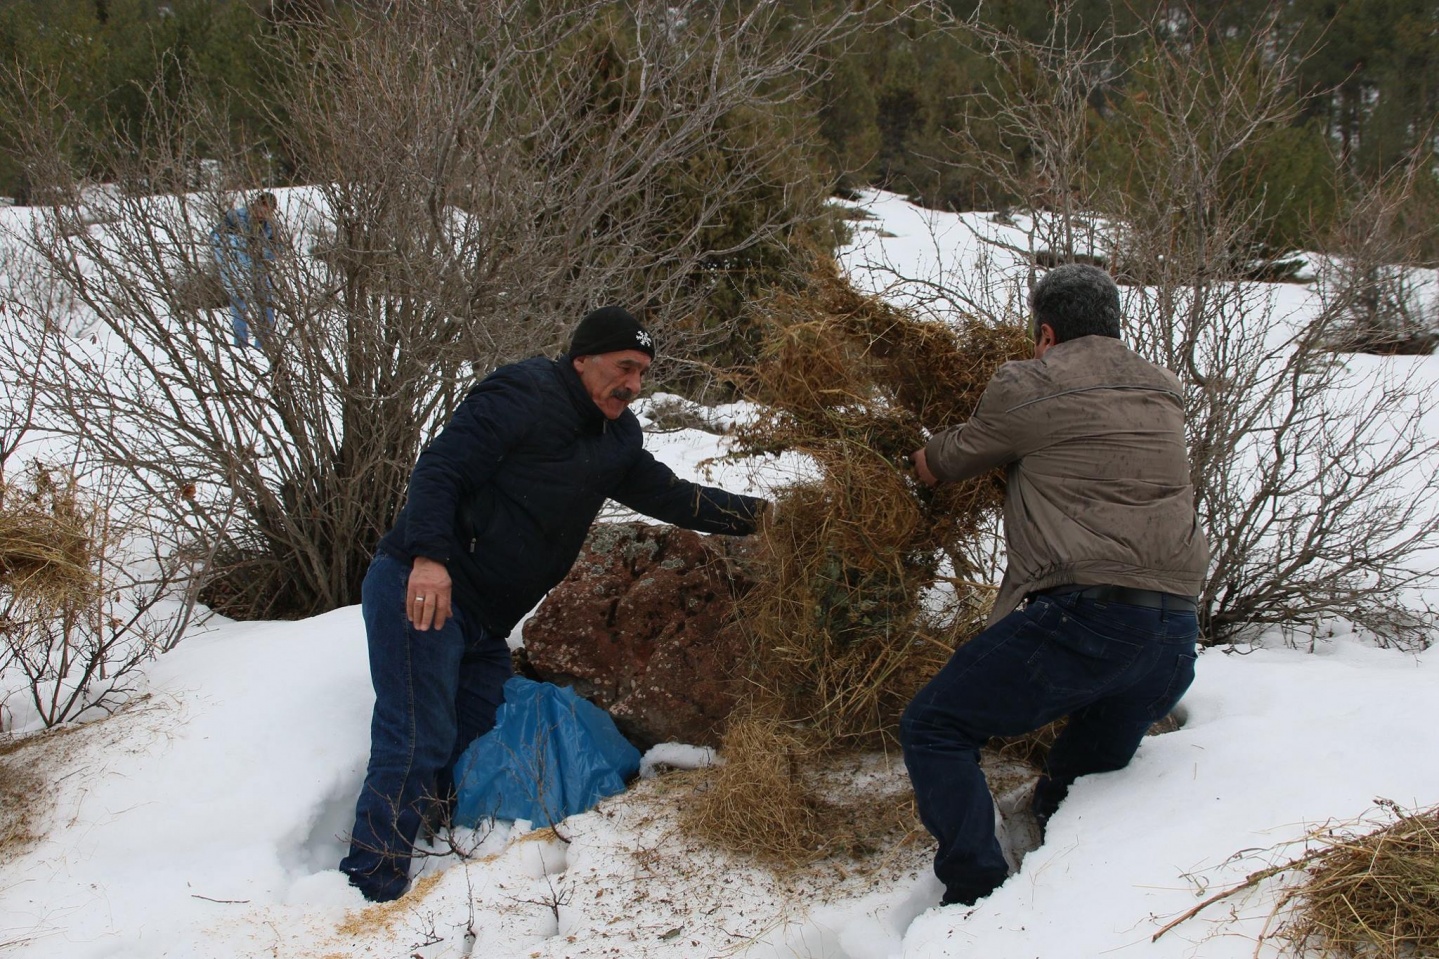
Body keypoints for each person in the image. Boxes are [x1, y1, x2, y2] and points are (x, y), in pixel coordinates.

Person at [339, 306, 769, 902]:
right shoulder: (524, 393)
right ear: (583, 360)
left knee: (473, 728)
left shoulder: (617, 437)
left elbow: (675, 497)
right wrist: (430, 558)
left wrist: (772, 520)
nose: (634, 385)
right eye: (624, 367)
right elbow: (440, 467)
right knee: (416, 734)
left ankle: (433, 841)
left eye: (643, 373)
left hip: (484, 621)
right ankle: (370, 885)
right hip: (426, 588)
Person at [901, 263, 1209, 908]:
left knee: (934, 724)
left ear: (1046, 333)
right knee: (1075, 788)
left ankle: (975, 892)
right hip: (1175, 636)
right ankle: (1061, 890)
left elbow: (945, 462)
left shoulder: (1030, 382)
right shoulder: (1165, 390)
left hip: (1085, 620)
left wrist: (914, 454)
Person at [210, 192, 280, 348]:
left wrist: (264, 252)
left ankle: (263, 348)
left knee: (267, 309)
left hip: (259, 271)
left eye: (268, 212)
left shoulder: (270, 226)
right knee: (240, 312)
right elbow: (215, 238)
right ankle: (241, 348)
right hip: (236, 271)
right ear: (255, 205)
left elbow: (277, 249)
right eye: (262, 210)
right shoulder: (235, 218)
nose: (263, 215)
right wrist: (241, 245)